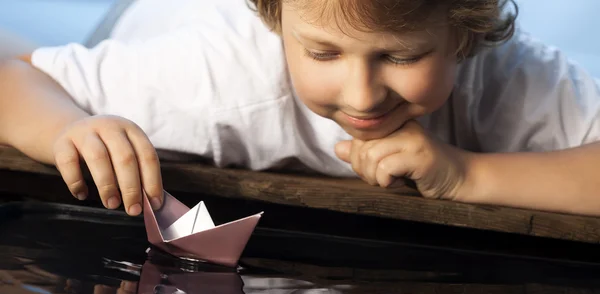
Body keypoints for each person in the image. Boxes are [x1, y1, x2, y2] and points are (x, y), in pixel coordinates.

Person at [0, 0, 598, 217]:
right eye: (322, 52)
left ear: (464, 36)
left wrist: (467, 174)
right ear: (278, 23)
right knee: (47, 64)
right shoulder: (210, 80)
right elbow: (9, 76)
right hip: (148, 21)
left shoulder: (515, 76)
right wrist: (67, 125)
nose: (363, 97)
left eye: (402, 56)